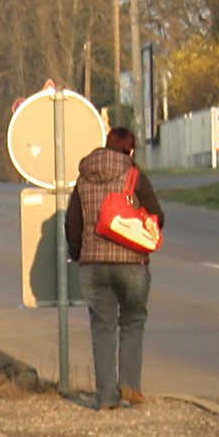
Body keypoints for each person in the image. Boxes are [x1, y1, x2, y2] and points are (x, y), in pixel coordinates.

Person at [66, 126, 164, 410]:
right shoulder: (134, 176)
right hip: (132, 262)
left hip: (93, 265)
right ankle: (130, 385)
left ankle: (106, 398)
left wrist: (78, 253)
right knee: (133, 321)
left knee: (102, 327)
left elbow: (72, 222)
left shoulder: (83, 179)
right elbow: (158, 214)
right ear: (130, 150)